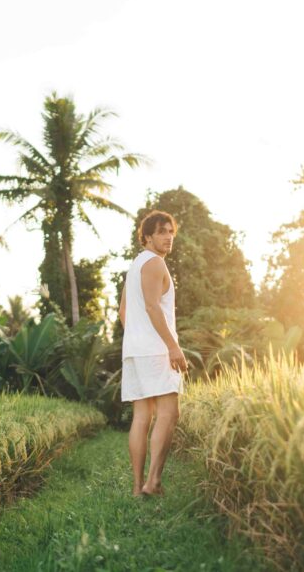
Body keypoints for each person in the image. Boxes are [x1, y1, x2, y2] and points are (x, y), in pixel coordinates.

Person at [119, 209, 189, 497]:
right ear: (147, 236)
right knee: (169, 413)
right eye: (161, 231)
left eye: (170, 231)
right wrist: (172, 346)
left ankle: (138, 488)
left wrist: (136, 338)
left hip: (135, 350)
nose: (168, 237)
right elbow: (151, 306)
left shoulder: (135, 266)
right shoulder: (155, 263)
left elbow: (124, 311)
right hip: (156, 349)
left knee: (141, 417)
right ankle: (153, 483)